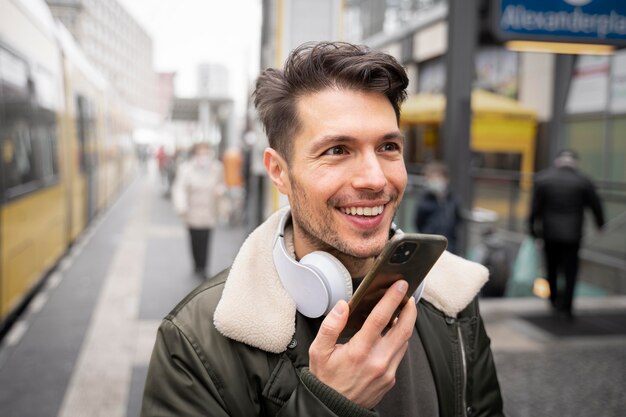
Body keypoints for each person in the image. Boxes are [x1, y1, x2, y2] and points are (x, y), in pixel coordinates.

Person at [142, 41, 503, 416]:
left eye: (388, 147)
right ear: (279, 172)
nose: (375, 178)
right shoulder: (194, 342)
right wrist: (329, 405)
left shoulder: (453, 300)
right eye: (337, 150)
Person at [528, 149, 605, 319]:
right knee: (571, 270)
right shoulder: (583, 181)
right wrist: (600, 224)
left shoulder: (543, 179)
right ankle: (568, 306)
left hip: (549, 233)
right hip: (573, 234)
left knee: (551, 267)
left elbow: (535, 208)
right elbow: (595, 205)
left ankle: (554, 300)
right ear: (575, 163)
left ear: (557, 162)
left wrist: (532, 229)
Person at [171, 142, 225, 279]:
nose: (203, 156)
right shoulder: (186, 169)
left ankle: (203, 267)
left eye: (205, 152)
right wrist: (182, 207)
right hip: (192, 211)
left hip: (209, 211)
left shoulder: (216, 168)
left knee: (206, 239)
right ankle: (196, 264)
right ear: (195, 153)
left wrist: (220, 191)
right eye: (200, 152)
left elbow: (221, 184)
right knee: (194, 239)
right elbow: (179, 189)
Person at [414, 161, 462, 254]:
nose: (434, 181)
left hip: (451, 248)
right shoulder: (424, 201)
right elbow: (418, 223)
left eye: (437, 177)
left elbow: (457, 220)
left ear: (446, 179)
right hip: (429, 248)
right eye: (430, 178)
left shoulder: (453, 199)